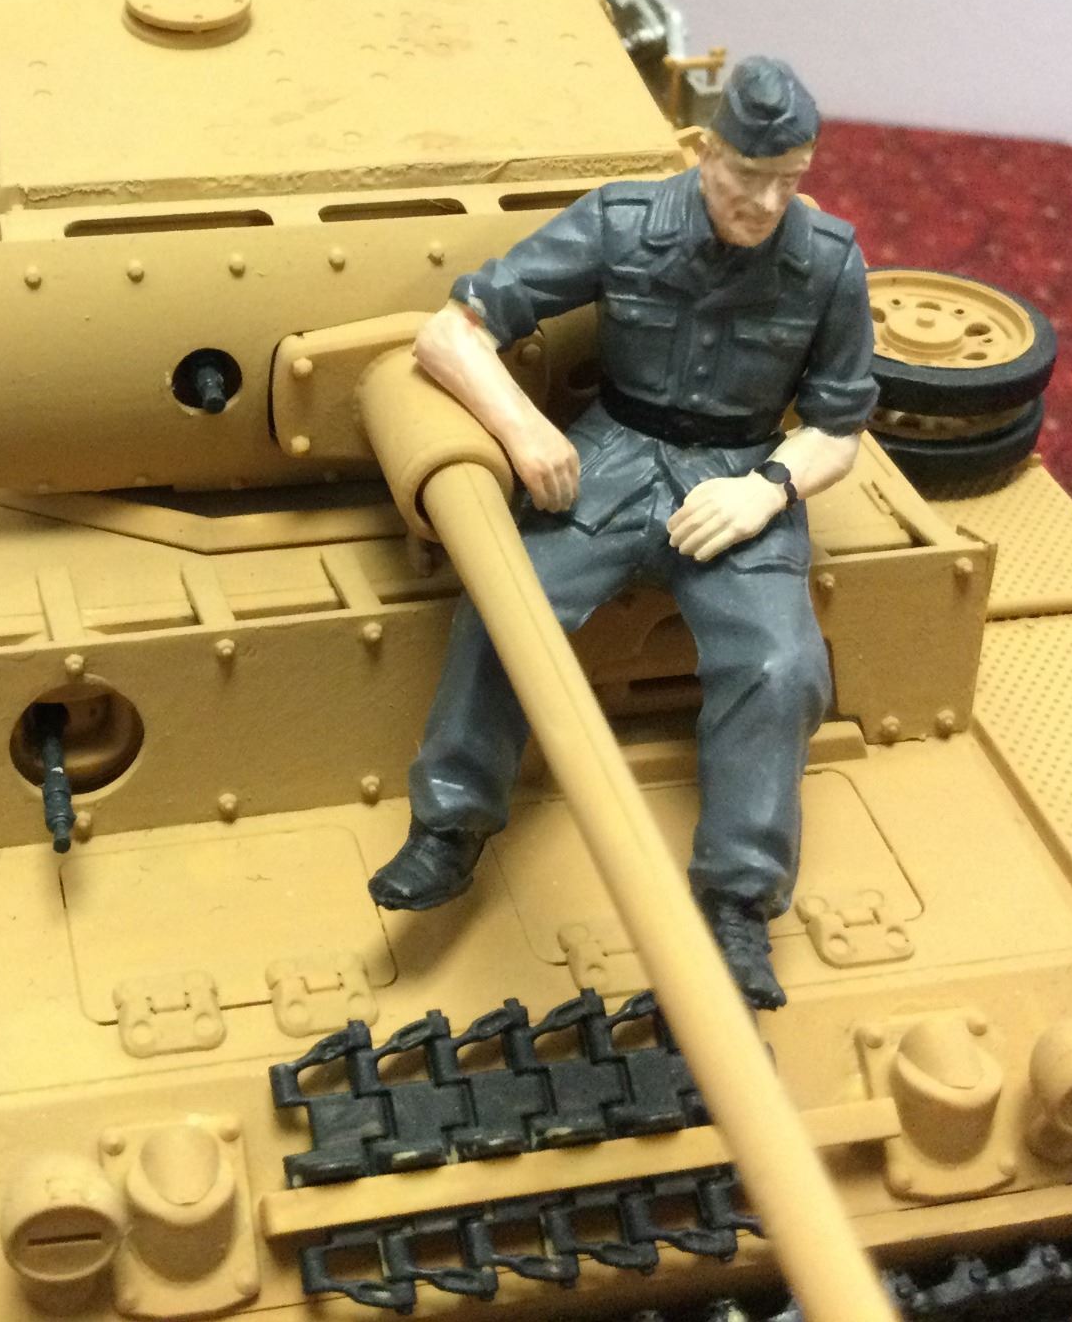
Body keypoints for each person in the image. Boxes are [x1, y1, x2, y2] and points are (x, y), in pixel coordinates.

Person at [368, 57, 877, 1008]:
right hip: (609, 457)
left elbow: (840, 427)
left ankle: (738, 900)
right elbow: (449, 334)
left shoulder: (828, 262)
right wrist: (524, 430)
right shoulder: (622, 221)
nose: (768, 202)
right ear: (705, 151)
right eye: (748, 175)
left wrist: (768, 488)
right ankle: (450, 826)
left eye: (790, 180)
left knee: (781, 665)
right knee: (506, 602)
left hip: (739, 476)